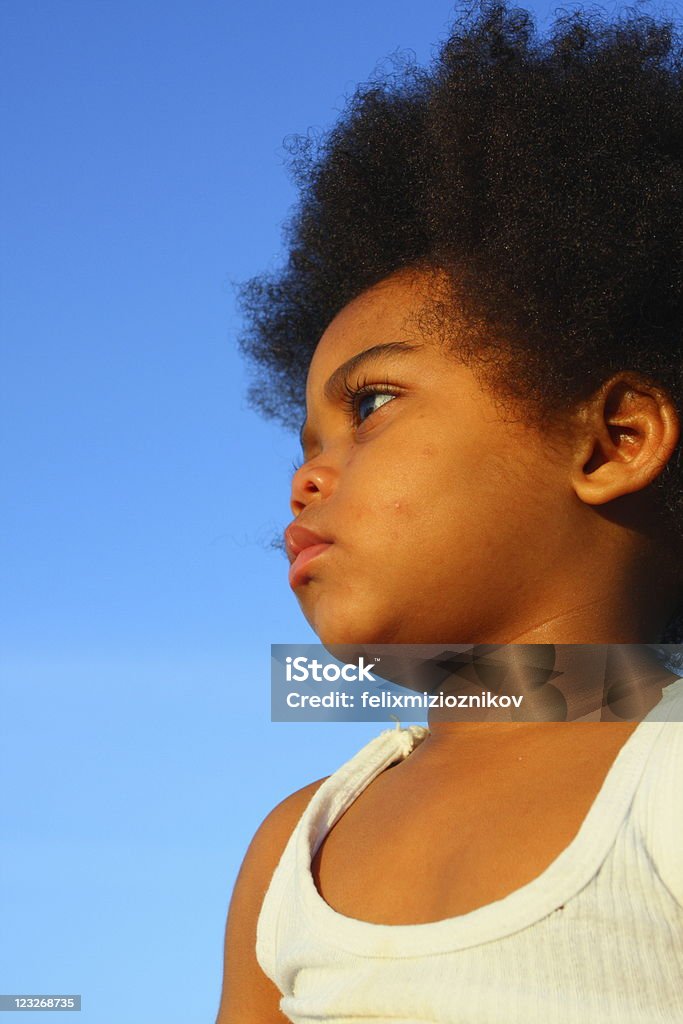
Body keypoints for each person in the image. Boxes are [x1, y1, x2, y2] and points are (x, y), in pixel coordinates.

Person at [215, 2, 683, 1020]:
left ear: (610, 442)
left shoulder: (665, 781)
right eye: (304, 442)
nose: (305, 477)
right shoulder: (296, 843)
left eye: (370, 405)